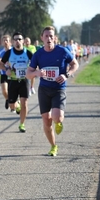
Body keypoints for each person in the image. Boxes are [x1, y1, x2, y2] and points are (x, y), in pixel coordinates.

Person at [26, 26, 78, 156]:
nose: (49, 38)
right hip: (44, 89)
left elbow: (74, 64)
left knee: (57, 117)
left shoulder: (62, 51)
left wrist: (67, 74)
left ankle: (59, 121)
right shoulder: (38, 54)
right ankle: (53, 146)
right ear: (41, 38)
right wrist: (37, 72)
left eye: (51, 36)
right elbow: (28, 73)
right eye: (46, 36)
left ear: (55, 38)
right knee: (46, 120)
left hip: (58, 89)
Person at [0, 32, 33, 132]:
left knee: (25, 103)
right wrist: (6, 69)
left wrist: (32, 70)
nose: (17, 41)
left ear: (23, 41)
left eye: (19, 39)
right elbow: (0, 64)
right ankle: (16, 106)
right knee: (12, 105)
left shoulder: (28, 52)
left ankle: (22, 124)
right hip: (13, 81)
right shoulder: (9, 53)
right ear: (13, 42)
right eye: (15, 39)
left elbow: (36, 63)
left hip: (24, 81)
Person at [0, 35, 12, 110]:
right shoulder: (1, 52)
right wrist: (5, 69)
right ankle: (8, 99)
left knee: (12, 91)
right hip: (4, 73)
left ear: (10, 42)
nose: (5, 42)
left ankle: (15, 102)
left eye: (7, 40)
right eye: (4, 40)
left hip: (13, 74)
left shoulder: (13, 51)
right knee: (4, 91)